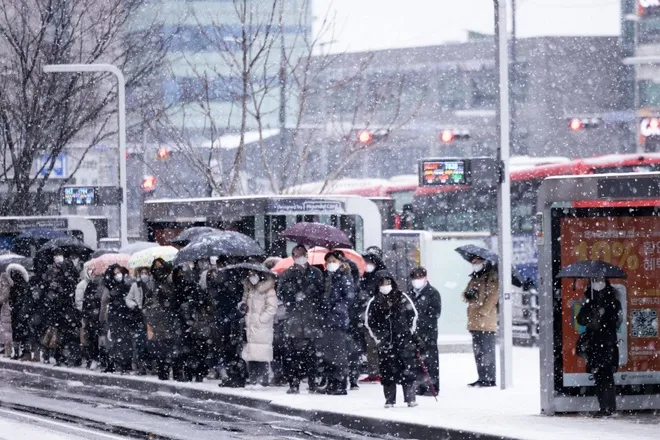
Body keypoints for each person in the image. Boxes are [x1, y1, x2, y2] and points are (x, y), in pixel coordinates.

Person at [365, 271, 419, 408]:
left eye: (388, 282)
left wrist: (408, 333)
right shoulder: (374, 301)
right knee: (387, 371)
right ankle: (390, 399)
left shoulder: (402, 296)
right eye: (382, 283)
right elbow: (369, 322)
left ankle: (410, 398)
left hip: (403, 340)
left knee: (407, 369)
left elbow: (413, 315)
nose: (385, 285)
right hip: (385, 343)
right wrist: (378, 338)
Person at [277, 245, 324, 394]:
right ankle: (294, 384)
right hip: (294, 319)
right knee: (293, 355)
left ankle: (312, 383)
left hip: (312, 318)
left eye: (302, 254)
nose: (300, 257)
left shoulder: (316, 273)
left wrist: (312, 290)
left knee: (312, 354)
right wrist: (293, 294)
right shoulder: (288, 274)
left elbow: (323, 294)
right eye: (297, 255)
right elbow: (281, 293)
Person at [576, 277, 622, 417]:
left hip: (606, 344)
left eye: (600, 280)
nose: (598, 283)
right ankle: (605, 407)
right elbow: (581, 320)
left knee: (606, 376)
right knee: (600, 377)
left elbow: (616, 321)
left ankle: (609, 408)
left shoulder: (613, 301)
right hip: (596, 344)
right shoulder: (589, 301)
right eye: (595, 280)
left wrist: (603, 312)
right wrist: (591, 309)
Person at [317, 251, 356, 395]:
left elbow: (349, 297)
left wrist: (336, 308)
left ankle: (340, 384)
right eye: (328, 261)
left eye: (332, 261)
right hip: (327, 321)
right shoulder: (328, 278)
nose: (330, 264)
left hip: (338, 321)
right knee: (328, 353)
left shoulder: (344, 277)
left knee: (339, 353)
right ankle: (331, 382)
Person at [207, 257, 247, 387]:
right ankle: (231, 374)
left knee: (231, 346)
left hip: (231, 316)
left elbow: (235, 295)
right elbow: (213, 295)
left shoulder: (234, 277)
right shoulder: (218, 278)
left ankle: (235, 375)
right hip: (225, 315)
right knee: (226, 346)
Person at [462, 256, 498, 388]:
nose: (475, 265)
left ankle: (489, 378)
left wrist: (483, 311)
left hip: (486, 320)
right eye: (473, 263)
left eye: (477, 262)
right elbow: (464, 294)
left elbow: (493, 296)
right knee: (478, 351)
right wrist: (468, 294)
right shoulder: (474, 278)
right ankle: (482, 377)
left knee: (487, 350)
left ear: (484, 263)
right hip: (473, 319)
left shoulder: (491, 277)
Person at [239, 269, 278, 387]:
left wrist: (261, 319)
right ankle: (253, 378)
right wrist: (242, 306)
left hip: (261, 326)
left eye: (254, 275)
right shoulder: (249, 289)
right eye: (250, 275)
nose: (252, 277)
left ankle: (262, 379)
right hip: (250, 325)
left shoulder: (268, 289)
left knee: (261, 353)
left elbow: (272, 307)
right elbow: (243, 302)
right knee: (251, 353)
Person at [43, 252, 82, 366]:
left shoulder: (68, 269)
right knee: (56, 333)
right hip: (56, 308)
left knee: (67, 334)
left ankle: (69, 357)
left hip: (67, 308)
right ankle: (57, 356)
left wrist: (65, 273)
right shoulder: (51, 271)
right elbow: (47, 286)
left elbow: (72, 284)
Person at [143, 258, 179, 380]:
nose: (158, 270)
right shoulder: (151, 283)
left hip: (169, 319)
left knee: (171, 345)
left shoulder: (169, 280)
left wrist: (166, 296)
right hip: (156, 320)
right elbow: (147, 302)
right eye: (156, 267)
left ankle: (174, 370)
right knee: (158, 347)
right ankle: (162, 370)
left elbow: (174, 297)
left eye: (160, 266)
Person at [408, 267, 441, 396]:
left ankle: (431, 386)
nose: (417, 280)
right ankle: (419, 386)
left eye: (419, 277)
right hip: (414, 333)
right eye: (415, 278)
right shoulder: (410, 293)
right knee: (416, 360)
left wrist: (419, 322)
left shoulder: (432, 293)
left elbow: (435, 313)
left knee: (430, 361)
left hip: (428, 333)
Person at [358, 253, 387, 384]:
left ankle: (380, 371)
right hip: (368, 317)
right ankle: (374, 371)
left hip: (377, 317)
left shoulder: (380, 275)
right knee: (370, 345)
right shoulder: (366, 276)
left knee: (377, 345)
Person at [101, 264, 133, 373]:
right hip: (114, 317)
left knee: (124, 342)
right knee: (114, 342)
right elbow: (105, 302)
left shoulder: (127, 285)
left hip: (125, 317)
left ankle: (124, 364)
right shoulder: (110, 287)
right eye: (115, 273)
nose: (118, 275)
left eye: (119, 272)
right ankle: (114, 363)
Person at [126, 267, 154, 374]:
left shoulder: (153, 285)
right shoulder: (135, 286)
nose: (144, 275)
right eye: (142, 273)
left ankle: (150, 363)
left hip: (151, 318)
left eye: (146, 273)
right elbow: (128, 298)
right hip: (139, 318)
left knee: (151, 342)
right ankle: (141, 365)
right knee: (140, 342)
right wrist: (134, 306)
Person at [5, 264, 32, 360]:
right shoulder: (14, 285)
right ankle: (17, 352)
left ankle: (25, 352)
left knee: (23, 333)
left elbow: (26, 299)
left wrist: (20, 309)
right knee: (17, 333)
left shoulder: (23, 285)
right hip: (17, 312)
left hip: (21, 313)